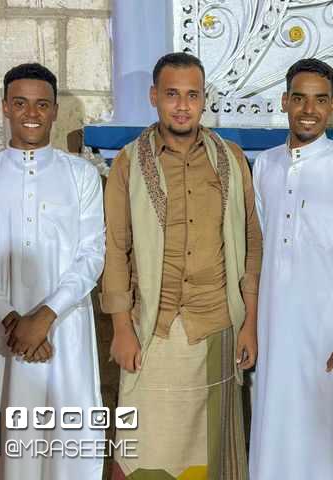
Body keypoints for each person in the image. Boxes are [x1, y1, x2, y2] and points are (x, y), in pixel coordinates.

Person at [101, 52, 262, 480]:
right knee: (143, 452)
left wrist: (249, 324)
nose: (183, 106)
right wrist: (122, 328)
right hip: (153, 329)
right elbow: (115, 249)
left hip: (217, 326)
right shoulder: (129, 163)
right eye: (172, 94)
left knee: (211, 455)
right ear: (154, 96)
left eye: (193, 95)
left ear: (204, 99)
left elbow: (252, 243)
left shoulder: (230, 159)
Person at [0, 63, 105, 479]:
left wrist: (44, 318)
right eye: (20, 103)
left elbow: (92, 254)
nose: (31, 113)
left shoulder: (82, 176)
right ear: (5, 107)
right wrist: (13, 320)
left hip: (63, 332)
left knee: (69, 445)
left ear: (55, 110)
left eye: (41, 104)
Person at [249, 58, 333, 480]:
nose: (309, 110)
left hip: (330, 332)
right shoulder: (265, 165)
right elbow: (263, 246)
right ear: (284, 101)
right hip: (274, 327)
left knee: (330, 435)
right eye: (300, 99)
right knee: (275, 426)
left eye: (320, 100)